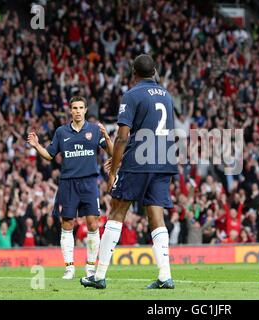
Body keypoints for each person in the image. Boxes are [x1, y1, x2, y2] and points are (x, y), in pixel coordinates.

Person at [80, 54, 178, 290]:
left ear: (133, 73)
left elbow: (123, 136)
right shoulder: (166, 95)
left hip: (140, 160)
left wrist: (114, 169)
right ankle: (165, 276)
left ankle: (99, 275)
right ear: (155, 71)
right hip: (164, 158)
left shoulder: (132, 95)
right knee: (156, 215)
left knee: (117, 211)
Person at [27, 96, 113, 280]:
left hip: (89, 183)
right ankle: (69, 268)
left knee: (92, 223)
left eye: (81, 107)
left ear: (86, 109)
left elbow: (112, 152)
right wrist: (36, 146)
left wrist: (106, 135)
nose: (78, 111)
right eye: (74, 108)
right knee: (67, 224)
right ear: (70, 110)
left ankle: (90, 267)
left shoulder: (94, 130)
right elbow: (49, 155)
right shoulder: (61, 132)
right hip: (68, 183)